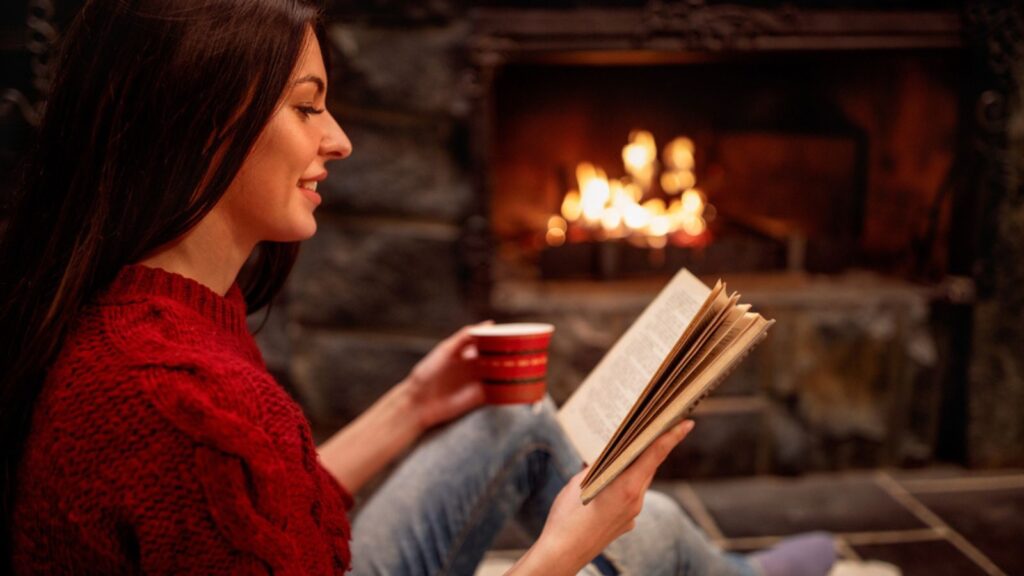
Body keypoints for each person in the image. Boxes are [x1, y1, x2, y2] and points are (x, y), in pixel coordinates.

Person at [0, 0, 837, 574]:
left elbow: (251, 523)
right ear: (203, 122)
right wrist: (556, 557)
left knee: (514, 416)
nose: (340, 140)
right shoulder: (180, 404)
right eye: (307, 106)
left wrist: (414, 400)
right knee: (608, 525)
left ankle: (718, 570)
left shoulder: (147, 311)